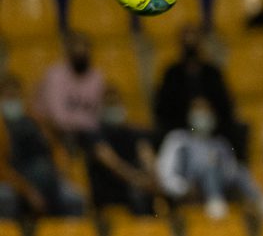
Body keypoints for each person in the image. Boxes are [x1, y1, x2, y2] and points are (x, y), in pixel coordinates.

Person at [156, 96, 263, 219]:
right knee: (209, 165)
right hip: (192, 189)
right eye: (198, 110)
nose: (203, 115)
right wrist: (184, 189)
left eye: (206, 111)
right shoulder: (179, 139)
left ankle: (259, 200)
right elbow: (166, 174)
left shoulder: (220, 143)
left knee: (239, 169)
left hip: (221, 187)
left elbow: (231, 171)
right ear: (189, 114)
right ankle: (214, 200)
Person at [0, 75, 85, 217]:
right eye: (8, 96)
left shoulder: (35, 120)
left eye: (15, 95)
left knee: (74, 199)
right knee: (4, 198)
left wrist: (61, 171)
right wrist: (28, 191)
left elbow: (57, 149)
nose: (12, 100)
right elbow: (2, 168)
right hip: (14, 183)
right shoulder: (2, 127)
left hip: (49, 180)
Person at [153, 24, 243, 153]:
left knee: (235, 132)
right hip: (180, 127)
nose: (190, 42)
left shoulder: (212, 72)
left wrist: (207, 108)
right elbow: (162, 107)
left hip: (213, 127)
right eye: (186, 39)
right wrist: (190, 107)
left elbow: (226, 104)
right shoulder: (172, 73)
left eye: (194, 38)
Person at [84, 86, 160, 216]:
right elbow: (111, 162)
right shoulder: (95, 133)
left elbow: (146, 154)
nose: (114, 108)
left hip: (137, 185)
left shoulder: (133, 132)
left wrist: (152, 176)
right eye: (109, 104)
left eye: (116, 103)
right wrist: (136, 179)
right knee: (138, 194)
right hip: (109, 190)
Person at [34, 30, 105, 147]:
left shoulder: (97, 77)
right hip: (53, 131)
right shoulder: (55, 75)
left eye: (84, 49)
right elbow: (58, 118)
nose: (81, 53)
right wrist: (84, 122)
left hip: (87, 132)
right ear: (68, 52)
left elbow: (97, 114)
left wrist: (84, 124)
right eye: (76, 49)